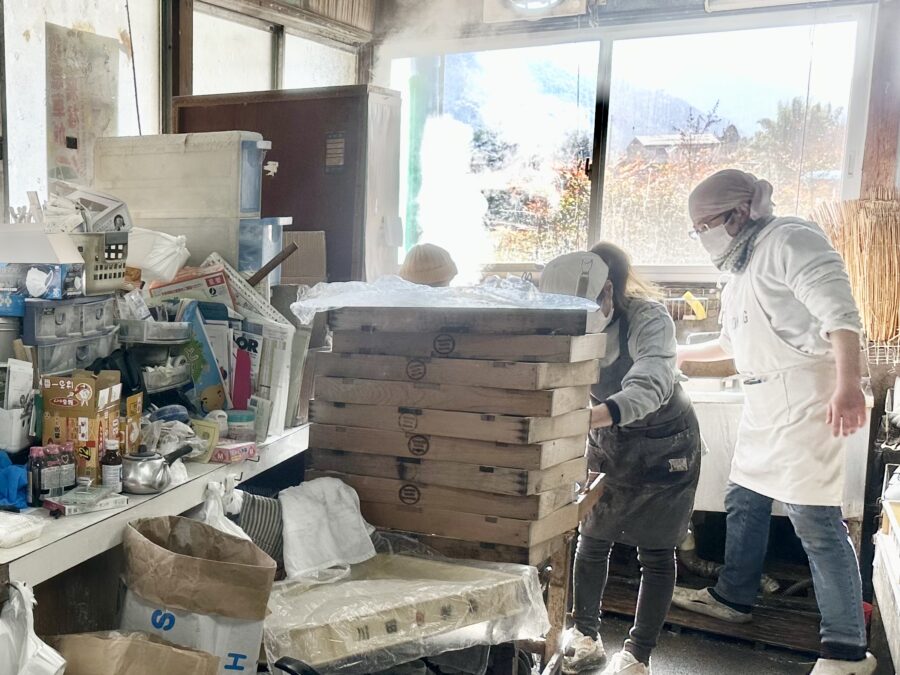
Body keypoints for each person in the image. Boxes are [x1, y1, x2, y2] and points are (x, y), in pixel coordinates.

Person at [674, 169, 875, 675]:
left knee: (817, 522)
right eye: (696, 230)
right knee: (744, 499)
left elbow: (841, 316)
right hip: (764, 401)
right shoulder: (740, 265)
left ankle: (846, 649)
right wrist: (672, 353)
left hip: (807, 395)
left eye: (706, 225)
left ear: (740, 212)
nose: (704, 237)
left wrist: (848, 385)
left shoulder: (792, 238)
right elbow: (731, 343)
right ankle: (734, 597)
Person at [541, 245, 702, 675]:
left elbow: (651, 383)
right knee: (592, 537)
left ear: (609, 291)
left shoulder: (648, 318)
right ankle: (586, 634)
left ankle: (638, 655)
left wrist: (587, 418)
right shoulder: (568, 319)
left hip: (666, 442)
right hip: (609, 439)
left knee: (656, 550)